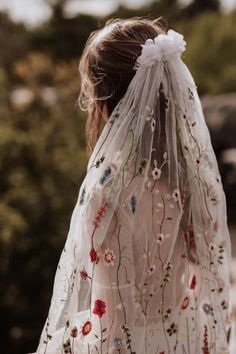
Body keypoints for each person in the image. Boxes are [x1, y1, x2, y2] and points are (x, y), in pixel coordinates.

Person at [32, 17, 232, 354]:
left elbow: (114, 324)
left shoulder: (108, 193)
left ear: (106, 99)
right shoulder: (190, 177)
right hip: (184, 340)